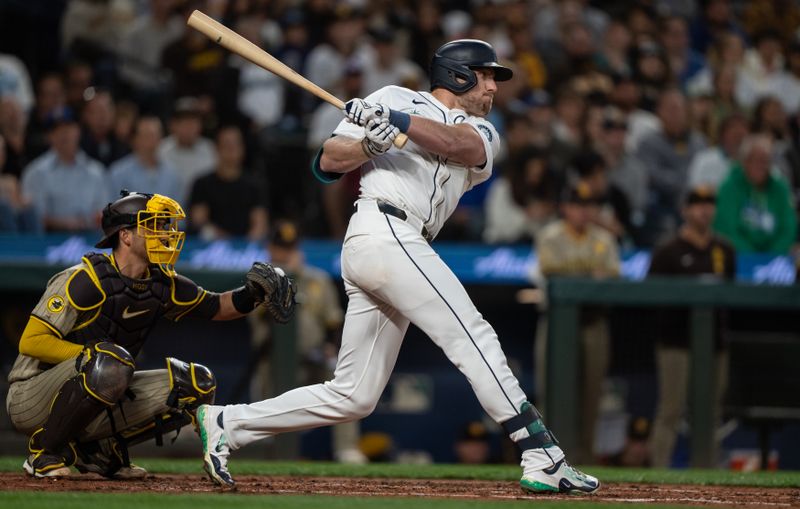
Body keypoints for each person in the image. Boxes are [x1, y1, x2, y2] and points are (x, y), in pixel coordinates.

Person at [195, 39, 600, 494]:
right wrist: (369, 141)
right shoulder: (389, 97)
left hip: (402, 244)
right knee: (473, 335)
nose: (493, 86)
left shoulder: (485, 131)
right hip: (382, 229)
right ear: (458, 74)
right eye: (486, 75)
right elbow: (329, 160)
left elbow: (457, 144)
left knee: (354, 394)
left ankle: (227, 423)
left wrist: (399, 126)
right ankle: (541, 453)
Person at [6, 190, 295, 478]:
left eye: (167, 225)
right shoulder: (84, 279)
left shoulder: (161, 283)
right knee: (110, 361)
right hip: (31, 395)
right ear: (126, 235)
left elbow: (216, 306)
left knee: (195, 384)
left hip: (99, 387)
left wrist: (253, 293)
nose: (167, 233)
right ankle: (45, 451)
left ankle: (96, 450)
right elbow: (31, 341)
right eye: (155, 225)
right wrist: (89, 354)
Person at [248, 220, 364, 463]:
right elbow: (259, 319)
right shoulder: (257, 281)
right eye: (280, 248)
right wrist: (285, 279)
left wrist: (332, 347)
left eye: (290, 248)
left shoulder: (316, 280)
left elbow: (334, 322)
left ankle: (347, 449)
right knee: (265, 394)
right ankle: (267, 449)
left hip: (313, 358)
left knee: (345, 381)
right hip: (274, 361)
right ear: (270, 248)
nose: (285, 254)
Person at [647, 186, 735, 467]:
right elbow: (648, 296)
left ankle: (708, 469)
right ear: (685, 210)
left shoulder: (724, 249)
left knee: (710, 412)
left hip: (714, 343)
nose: (704, 209)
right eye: (697, 203)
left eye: (709, 203)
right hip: (676, 342)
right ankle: (658, 471)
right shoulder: (668, 251)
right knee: (671, 410)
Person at [535, 182, 621, 465]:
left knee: (591, 395)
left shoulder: (604, 239)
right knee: (553, 392)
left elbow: (612, 276)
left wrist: (578, 272)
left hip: (594, 322)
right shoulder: (550, 236)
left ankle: (584, 460)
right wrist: (589, 272)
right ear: (566, 208)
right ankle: (551, 459)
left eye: (589, 206)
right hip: (559, 325)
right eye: (577, 206)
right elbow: (551, 269)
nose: (583, 212)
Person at [20, 106, 107, 232]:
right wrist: (67, 224)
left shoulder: (96, 172)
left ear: (78, 131)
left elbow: (106, 215)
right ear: (49, 136)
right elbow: (34, 219)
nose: (64, 134)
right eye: (57, 130)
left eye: (68, 128)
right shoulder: (35, 172)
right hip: (46, 244)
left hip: (91, 243)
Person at [713, 135, 797, 254]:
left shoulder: (780, 188)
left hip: (776, 257)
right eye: (753, 160)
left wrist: (772, 254)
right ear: (744, 161)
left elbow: (788, 227)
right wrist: (751, 256)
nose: (760, 165)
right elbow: (726, 228)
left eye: (765, 161)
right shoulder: (729, 187)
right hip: (737, 257)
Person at [187, 125, 267, 241]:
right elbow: (199, 222)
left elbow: (260, 224)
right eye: (226, 144)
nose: (231, 149)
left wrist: (244, 247)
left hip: (246, 250)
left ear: (243, 148)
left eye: (235, 144)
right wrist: (225, 241)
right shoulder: (202, 184)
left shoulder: (254, 185)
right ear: (217, 149)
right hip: (211, 249)